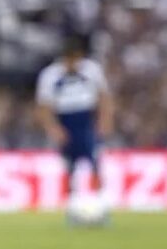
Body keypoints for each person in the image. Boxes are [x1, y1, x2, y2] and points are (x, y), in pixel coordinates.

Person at [35, 32, 114, 203]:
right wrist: (53, 128)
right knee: (69, 166)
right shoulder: (50, 75)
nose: (72, 63)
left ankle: (101, 201)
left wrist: (104, 121)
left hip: (86, 120)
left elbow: (103, 97)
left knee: (95, 161)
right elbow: (44, 106)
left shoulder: (92, 70)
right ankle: (72, 202)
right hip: (65, 121)